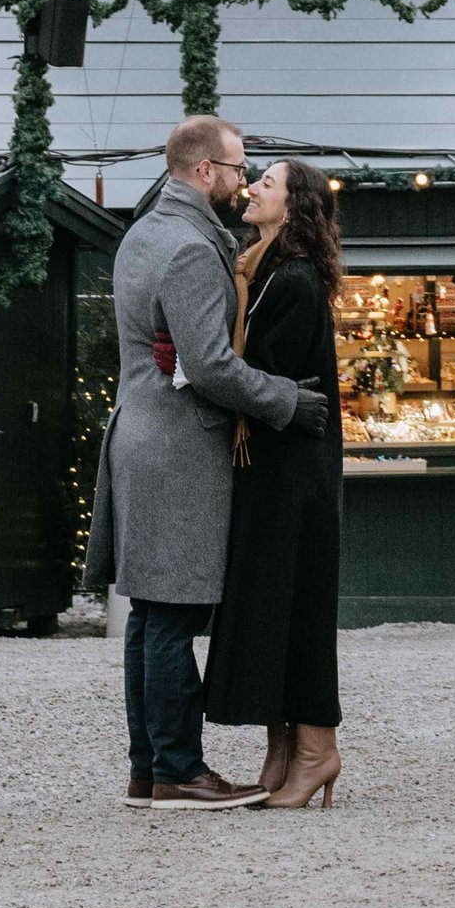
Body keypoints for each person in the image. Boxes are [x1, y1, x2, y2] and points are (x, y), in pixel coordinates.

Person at [83, 116, 331, 812]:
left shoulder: (143, 232)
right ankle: (180, 771)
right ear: (203, 171)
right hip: (178, 447)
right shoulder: (192, 246)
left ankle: (148, 769)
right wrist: (284, 399)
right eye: (236, 167)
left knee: (148, 615)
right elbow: (211, 363)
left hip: (140, 434)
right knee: (172, 617)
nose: (241, 179)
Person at [200, 157, 347, 809]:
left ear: (294, 206)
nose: (253, 187)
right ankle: (281, 748)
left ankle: (316, 752)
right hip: (272, 469)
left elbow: (264, 380)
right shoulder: (263, 270)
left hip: (294, 475)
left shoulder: (292, 282)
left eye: (268, 183)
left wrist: (198, 366)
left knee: (298, 608)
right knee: (273, 607)